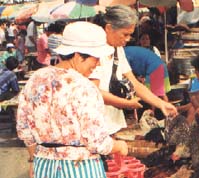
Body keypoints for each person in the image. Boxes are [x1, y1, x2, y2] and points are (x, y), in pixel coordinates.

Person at [16, 21, 128, 178]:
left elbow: (23, 128)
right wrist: (118, 146)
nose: (97, 64)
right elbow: (97, 141)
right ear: (78, 56)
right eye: (95, 58)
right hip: (80, 168)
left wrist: (33, 160)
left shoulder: (36, 79)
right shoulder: (84, 87)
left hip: (43, 166)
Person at [91, 5, 177, 134]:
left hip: (114, 123)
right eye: (125, 34)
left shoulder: (117, 50)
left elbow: (134, 83)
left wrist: (161, 104)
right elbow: (94, 91)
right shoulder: (91, 53)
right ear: (109, 28)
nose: (127, 39)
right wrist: (125, 103)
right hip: (96, 124)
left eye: (129, 35)